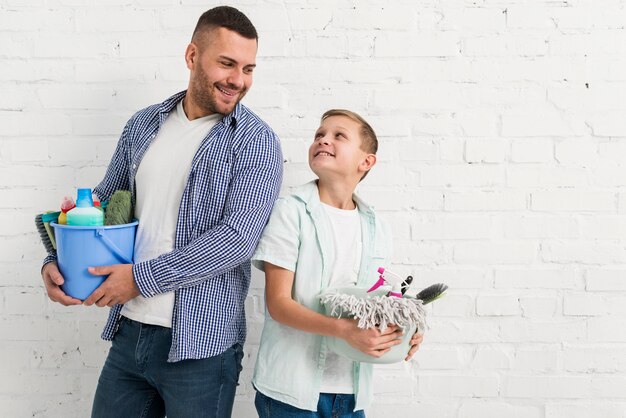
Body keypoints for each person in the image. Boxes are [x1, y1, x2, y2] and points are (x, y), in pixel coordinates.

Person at [40, 6, 283, 418]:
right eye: (226, 63)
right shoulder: (143, 125)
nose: (238, 81)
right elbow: (99, 204)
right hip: (130, 331)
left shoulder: (256, 142)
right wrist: (56, 261)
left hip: (202, 347)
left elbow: (237, 240)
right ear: (192, 56)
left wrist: (139, 279)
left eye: (248, 68)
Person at [251, 109, 423, 417]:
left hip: (352, 394)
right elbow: (278, 304)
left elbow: (376, 303)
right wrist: (343, 330)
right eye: (319, 135)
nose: (323, 140)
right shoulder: (290, 212)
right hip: (292, 394)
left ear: (366, 161)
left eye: (338, 135)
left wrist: (405, 332)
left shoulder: (377, 227)